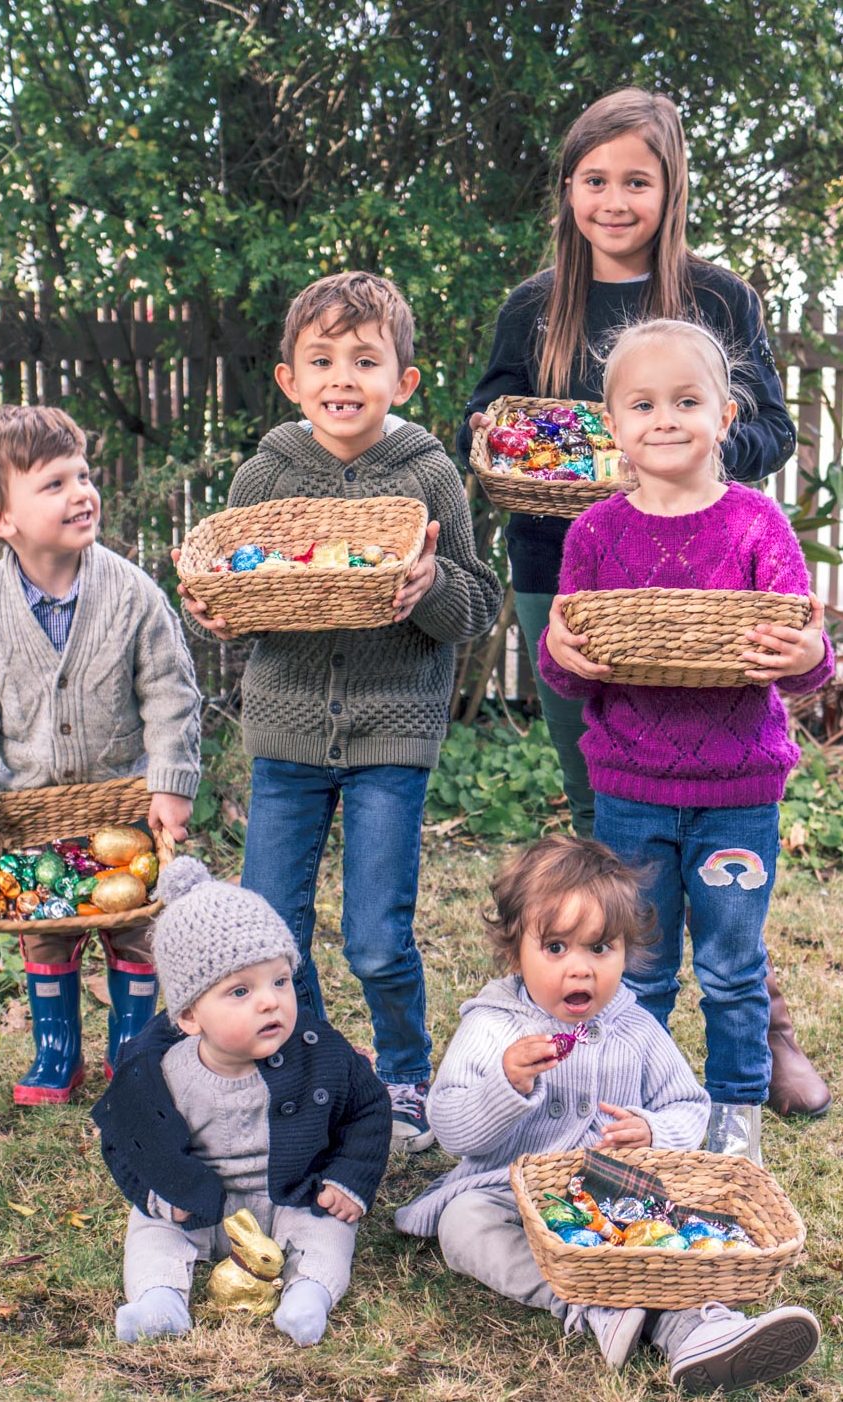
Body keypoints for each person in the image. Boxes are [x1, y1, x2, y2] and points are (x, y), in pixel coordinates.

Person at [457, 87, 828, 1121]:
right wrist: (544, 446)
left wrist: (667, 453)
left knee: (716, 834)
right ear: (567, 188)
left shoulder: (718, 300)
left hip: (703, 570)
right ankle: (621, 1044)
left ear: (669, 189)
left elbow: (765, 436)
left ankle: (758, 1015)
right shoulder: (535, 306)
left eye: (637, 180)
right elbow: (485, 419)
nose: (614, 201)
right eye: (594, 180)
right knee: (611, 807)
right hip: (570, 566)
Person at [179, 271, 503, 1152]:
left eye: (365, 360)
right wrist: (212, 609)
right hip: (284, 734)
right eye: (320, 359)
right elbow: (235, 587)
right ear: (289, 378)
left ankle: (402, 1071)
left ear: (403, 379)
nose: (341, 378)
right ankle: (314, 1065)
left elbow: (476, 605)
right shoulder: (266, 471)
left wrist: (432, 583)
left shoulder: (427, 475)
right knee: (272, 935)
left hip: (390, 734)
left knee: (373, 937)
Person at [539, 320, 834, 1163]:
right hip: (629, 789)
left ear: (725, 413)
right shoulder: (594, 533)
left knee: (733, 964)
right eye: (642, 404)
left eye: (685, 401)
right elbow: (571, 664)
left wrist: (813, 655)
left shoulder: (754, 524)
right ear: (611, 425)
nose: (663, 419)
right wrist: (558, 654)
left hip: (737, 792)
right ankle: (642, 1108)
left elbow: (797, 657)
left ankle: (732, 1116)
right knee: (639, 966)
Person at [395, 836, 822, 1393]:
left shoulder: (636, 1029)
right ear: (513, 950)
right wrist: (506, 1082)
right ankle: (611, 1310)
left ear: (627, 951)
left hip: (617, 1196)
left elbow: (688, 1106)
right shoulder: (493, 1026)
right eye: (555, 948)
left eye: (601, 948)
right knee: (463, 1224)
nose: (581, 970)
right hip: (508, 1194)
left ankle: (708, 1325)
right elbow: (449, 1126)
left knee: (674, 1230)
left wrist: (652, 1130)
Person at [0, 405, 201, 1102]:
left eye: (82, 475)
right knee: (46, 931)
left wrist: (169, 784)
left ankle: (133, 1050)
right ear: (1, 519)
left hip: (122, 801)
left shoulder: (132, 595)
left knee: (133, 925)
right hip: (29, 809)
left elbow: (171, 693)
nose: (81, 492)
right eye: (53, 484)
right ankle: (57, 1051)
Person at [92, 856, 392, 1346]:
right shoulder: (161, 1073)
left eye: (279, 981)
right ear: (190, 1017)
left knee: (329, 1228)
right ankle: (158, 1300)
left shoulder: (320, 1053)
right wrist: (161, 1198)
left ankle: (310, 1293)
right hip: (198, 1204)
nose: (270, 1001)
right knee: (149, 1229)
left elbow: (369, 1109)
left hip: (291, 1194)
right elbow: (125, 1142)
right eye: (240, 991)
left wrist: (347, 1179)